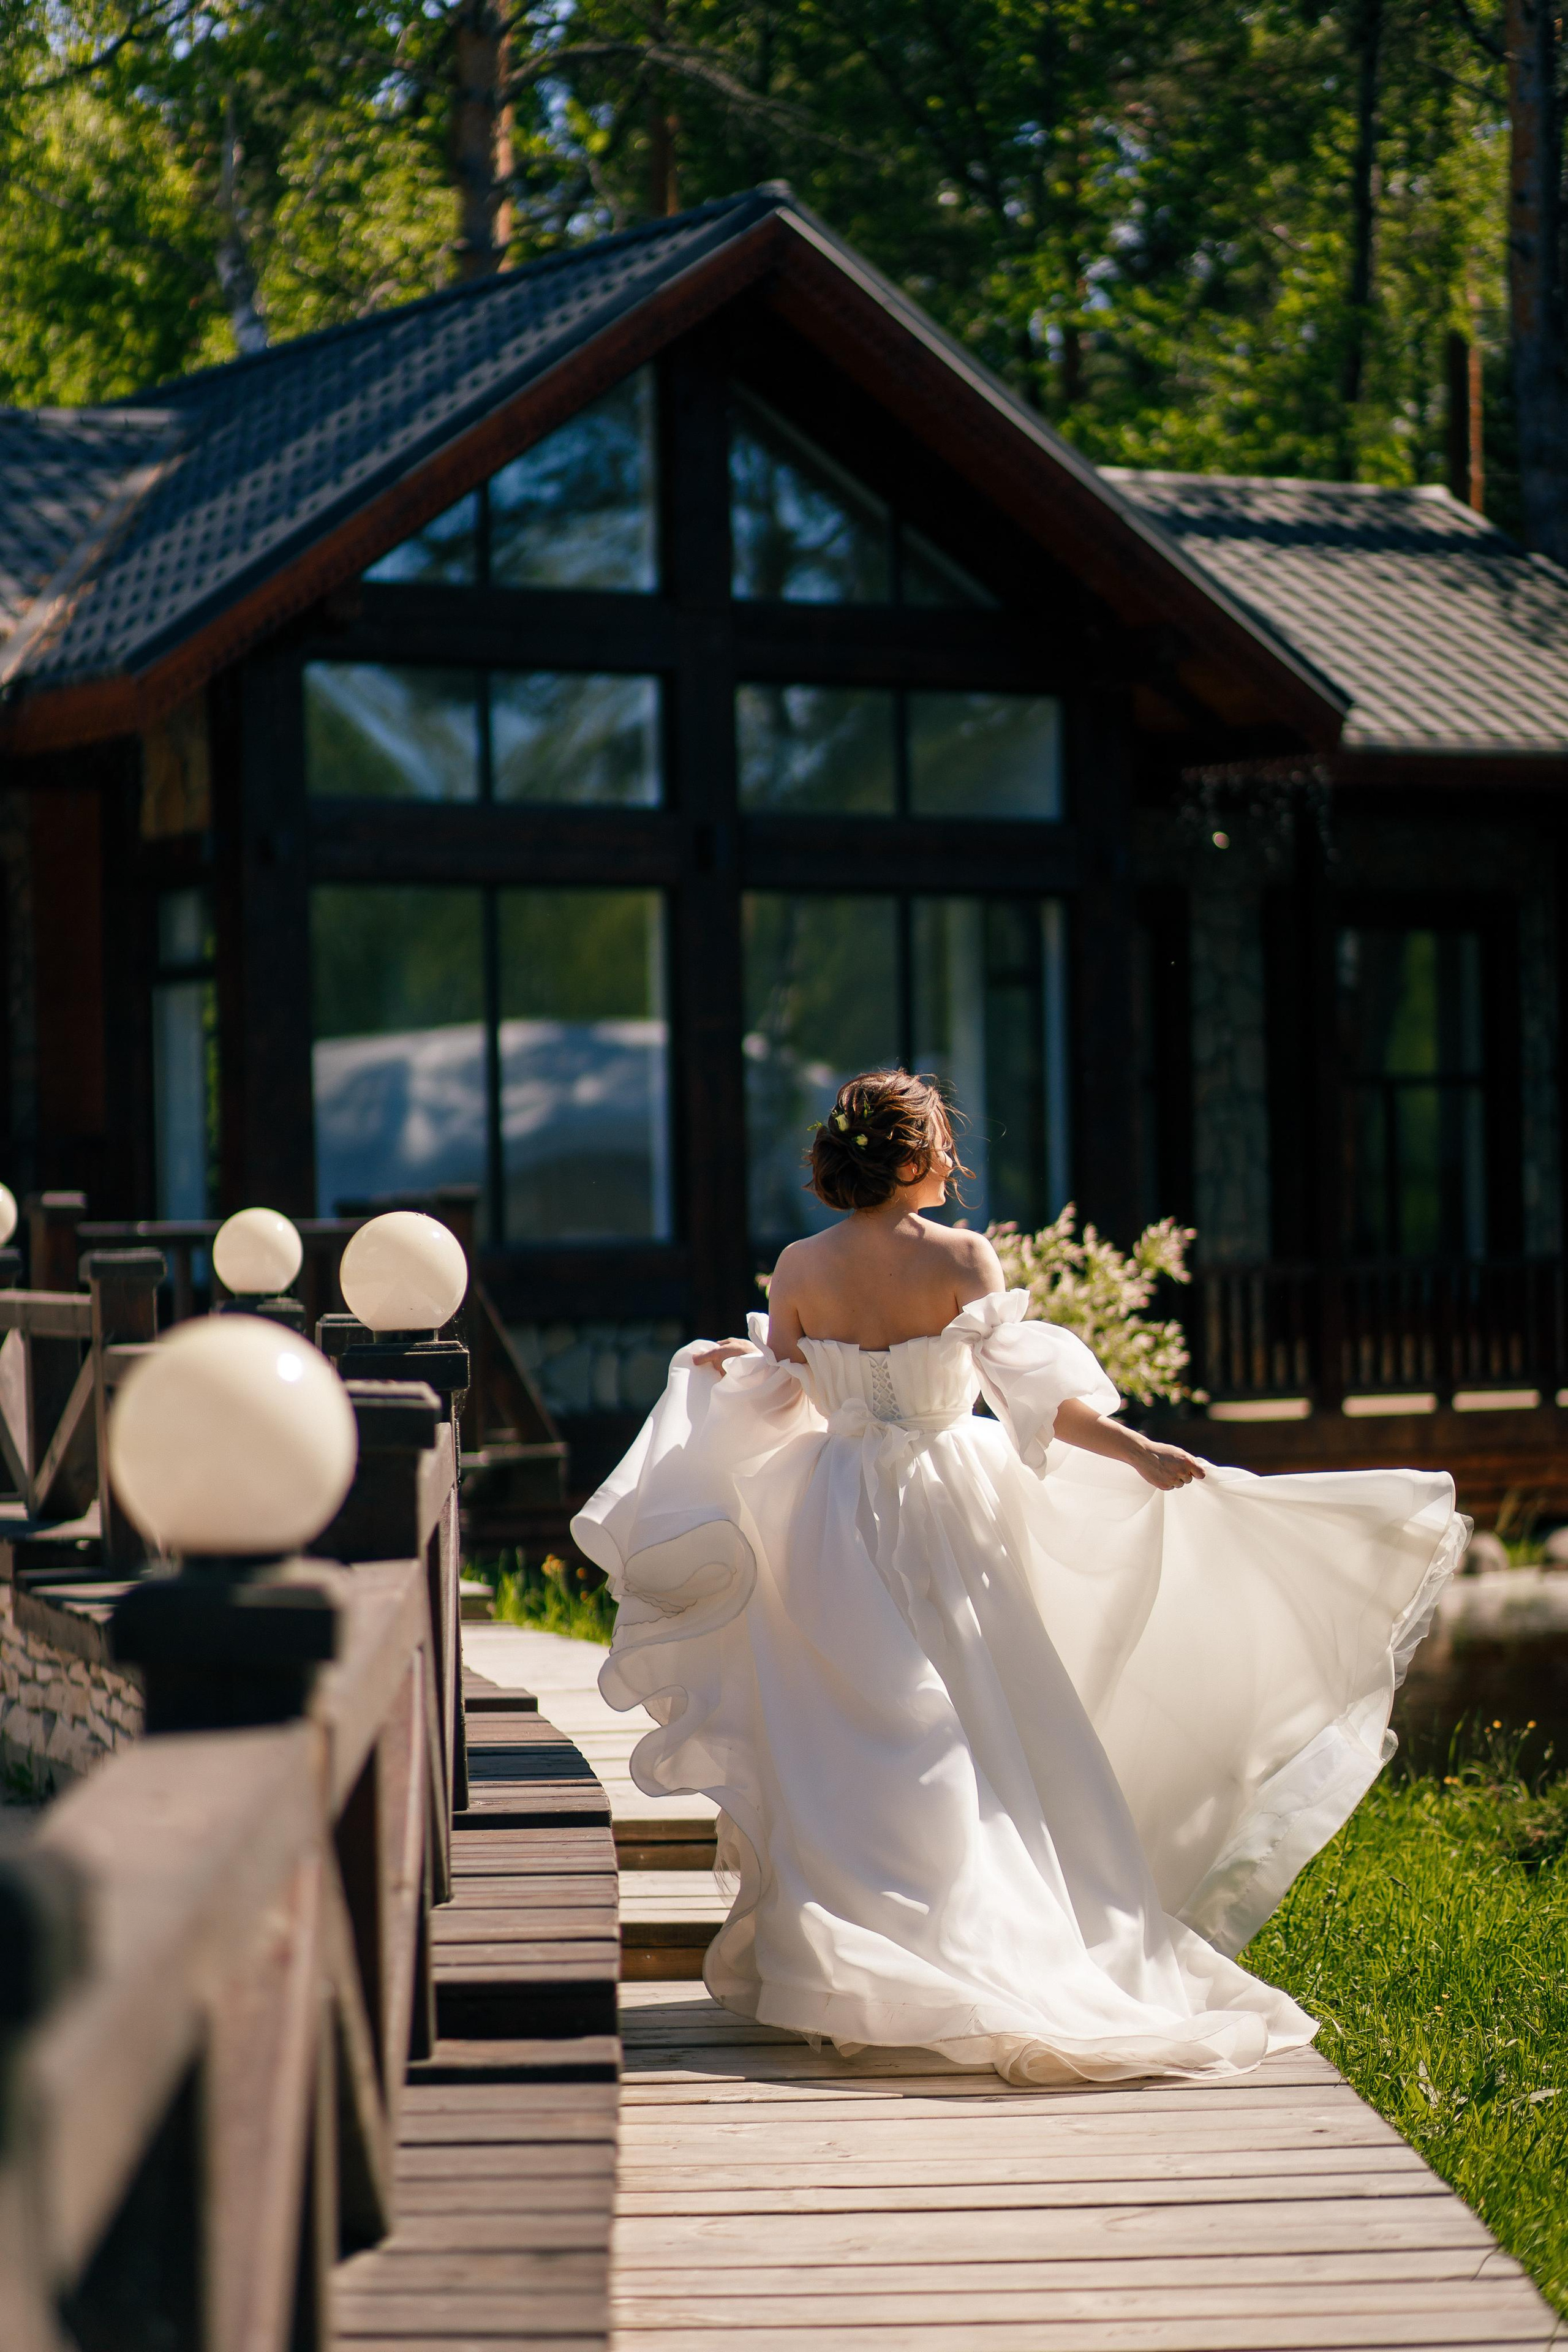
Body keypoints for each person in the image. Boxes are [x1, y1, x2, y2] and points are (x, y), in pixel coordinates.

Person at [571, 1068, 1461, 2086]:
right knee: (979, 1719)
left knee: (859, 1733)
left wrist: (741, 1371)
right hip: (951, 1506)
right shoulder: (961, 1255)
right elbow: (1033, 1396)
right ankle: (964, 1948)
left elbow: (788, 1401)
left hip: (835, 1510)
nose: (957, 1159)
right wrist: (1138, 1451)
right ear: (909, 1158)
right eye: (945, 1142)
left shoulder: (800, 1264)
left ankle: (864, 1967)